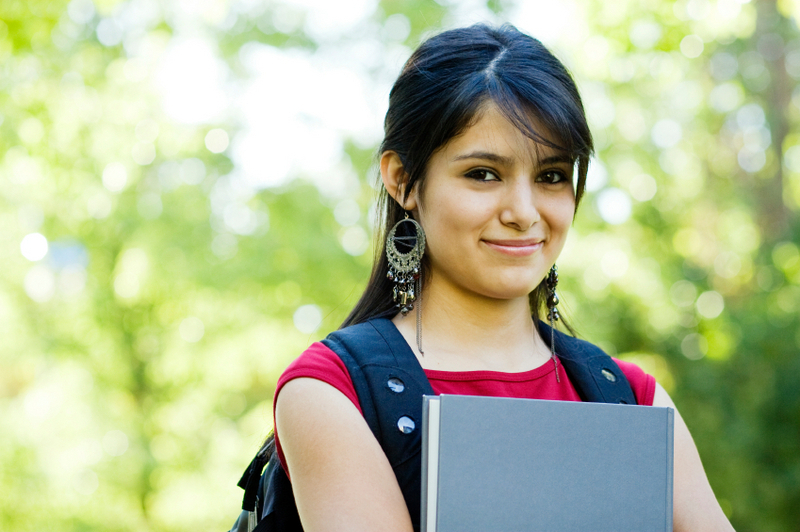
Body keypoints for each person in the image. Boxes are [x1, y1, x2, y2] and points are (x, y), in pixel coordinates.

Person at [273, 23, 734, 532]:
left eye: (551, 176)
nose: (523, 212)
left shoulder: (632, 398)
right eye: (483, 174)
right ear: (402, 179)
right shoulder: (333, 392)